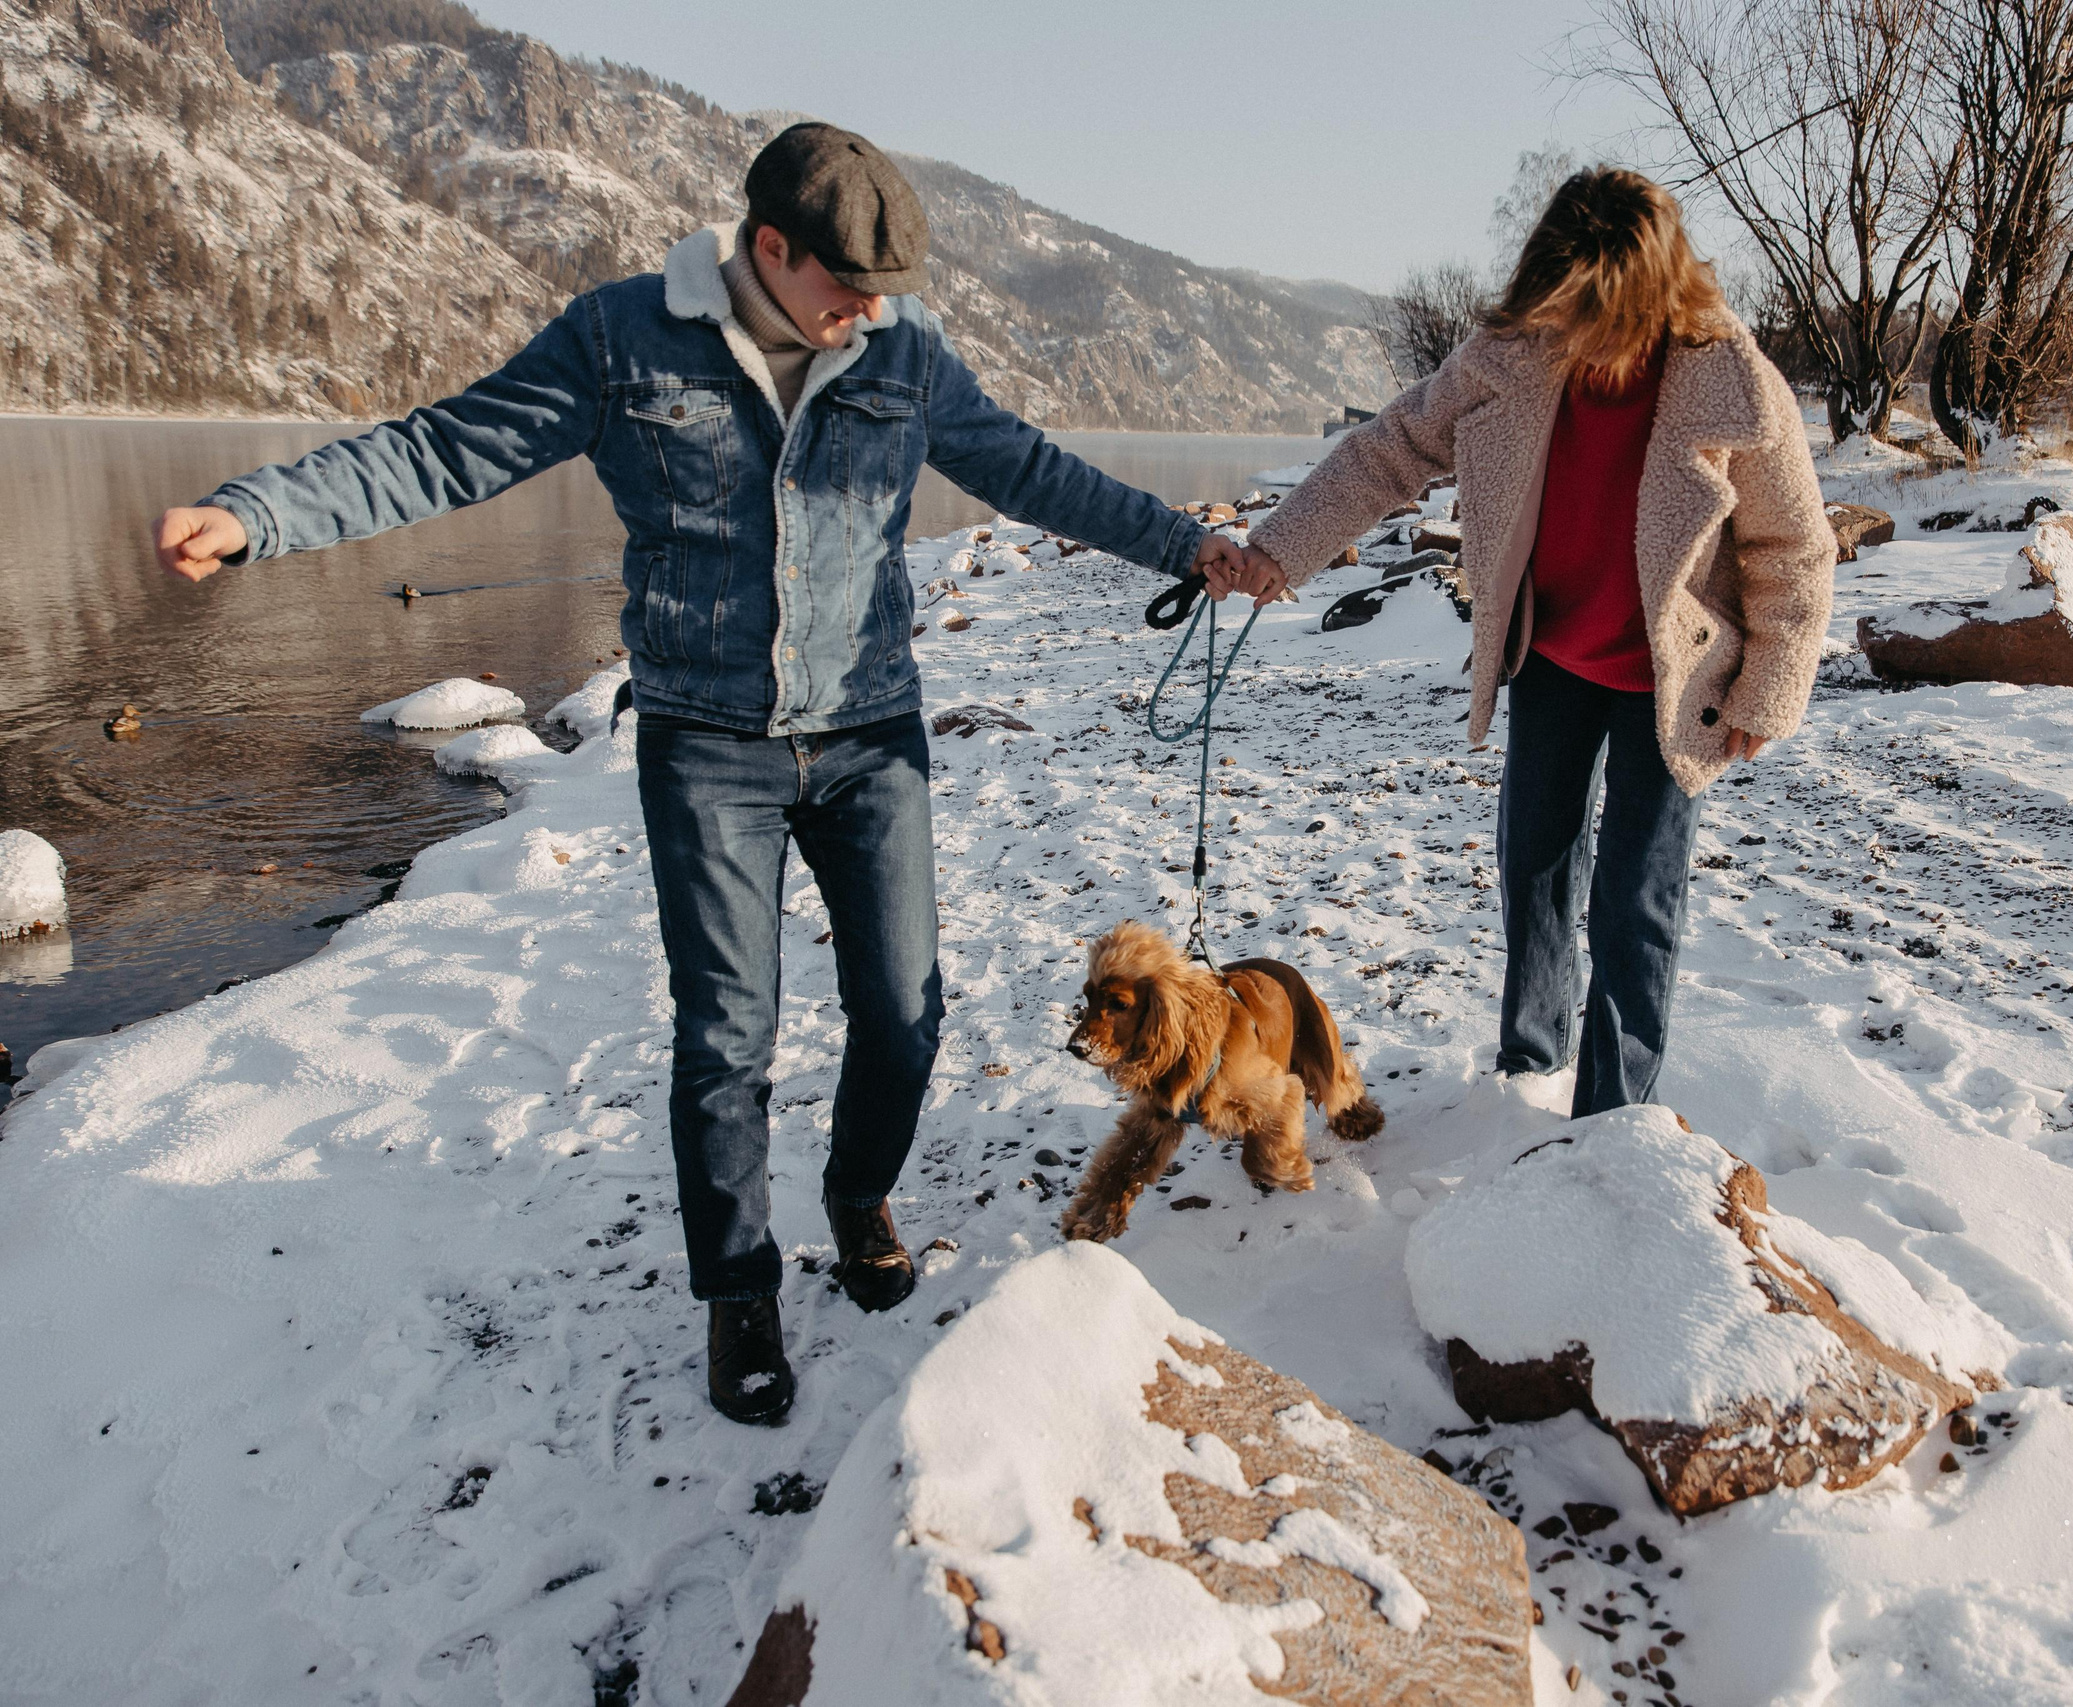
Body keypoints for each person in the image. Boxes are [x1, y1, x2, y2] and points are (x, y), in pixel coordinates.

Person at [150, 123, 1284, 1427]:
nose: (867, 316)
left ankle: (859, 1197)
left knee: (904, 1012)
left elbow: (1025, 465)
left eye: (884, 296)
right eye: (844, 289)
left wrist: (1182, 546)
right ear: (767, 251)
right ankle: (738, 1287)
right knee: (727, 1032)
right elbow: (442, 447)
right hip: (707, 744)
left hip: (869, 736)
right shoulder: (624, 339)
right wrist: (260, 514)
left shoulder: (902, 356)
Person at [1243, 168, 1832, 1119]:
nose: (1576, 328)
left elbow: (1794, 550)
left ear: (1648, 293)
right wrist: (1280, 548)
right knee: (1535, 872)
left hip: (1671, 685)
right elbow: (1388, 450)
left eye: (1595, 307)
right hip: (1553, 657)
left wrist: (1767, 690)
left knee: (1636, 907)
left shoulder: (1734, 383)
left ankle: (1613, 1119)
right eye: (1561, 301)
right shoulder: (1508, 358)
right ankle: (1529, 1064)